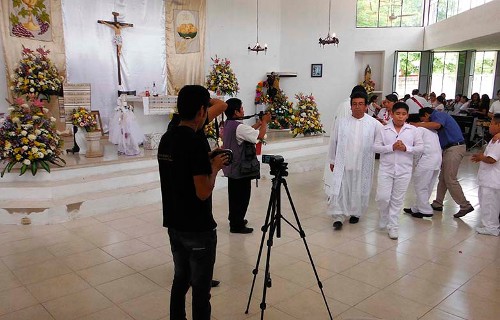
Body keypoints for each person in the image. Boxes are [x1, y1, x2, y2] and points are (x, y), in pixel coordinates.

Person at [157, 85, 228, 320]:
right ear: (201, 110)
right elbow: (203, 192)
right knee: (200, 289)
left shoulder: (167, 138)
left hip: (174, 222)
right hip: (197, 228)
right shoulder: (195, 142)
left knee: (180, 280)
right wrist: (215, 167)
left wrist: (206, 160)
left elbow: (180, 168)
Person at [326, 91, 382, 230]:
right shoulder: (341, 122)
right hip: (343, 161)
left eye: (361, 104)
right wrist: (332, 160)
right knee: (340, 188)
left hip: (362, 163)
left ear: (366, 106)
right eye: (354, 104)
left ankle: (355, 213)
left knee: (358, 188)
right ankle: (338, 216)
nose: (357, 107)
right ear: (350, 106)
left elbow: (382, 140)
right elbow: (333, 141)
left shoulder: (373, 124)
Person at [412, 107, 474, 218]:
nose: (424, 123)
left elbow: (436, 125)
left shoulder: (438, 115)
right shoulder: (436, 117)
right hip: (448, 149)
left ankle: (465, 205)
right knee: (443, 178)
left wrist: (417, 125)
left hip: (455, 147)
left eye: (423, 120)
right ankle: (438, 203)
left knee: (450, 178)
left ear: (426, 115)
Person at [374, 102, 424, 240]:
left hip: (404, 170)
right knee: (383, 197)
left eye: (403, 114)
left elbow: (420, 148)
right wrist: (392, 147)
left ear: (407, 115)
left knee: (397, 200)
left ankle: (393, 226)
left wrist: (406, 148)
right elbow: (375, 148)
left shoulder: (413, 130)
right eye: (397, 113)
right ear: (392, 114)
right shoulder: (384, 130)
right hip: (386, 169)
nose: (400, 117)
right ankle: (384, 215)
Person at [222, 98, 271, 234]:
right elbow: (259, 137)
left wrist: (258, 124)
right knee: (242, 196)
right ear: (236, 112)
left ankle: (235, 219)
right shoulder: (239, 127)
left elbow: (247, 132)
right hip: (240, 168)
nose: (244, 110)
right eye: (242, 108)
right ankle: (237, 225)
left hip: (231, 166)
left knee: (234, 196)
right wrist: (265, 123)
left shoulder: (229, 124)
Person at [404, 119, 442, 218]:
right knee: (428, 186)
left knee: (420, 186)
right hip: (437, 160)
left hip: (426, 160)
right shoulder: (432, 130)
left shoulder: (419, 130)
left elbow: (418, 148)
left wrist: (415, 163)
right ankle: (417, 208)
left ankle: (426, 210)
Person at [470, 114, 500, 236]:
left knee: (489, 204)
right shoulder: (495, 138)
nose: (489, 126)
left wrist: (482, 157)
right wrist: (481, 158)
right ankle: (490, 225)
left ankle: (491, 227)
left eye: (492, 123)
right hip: (489, 178)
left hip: (492, 179)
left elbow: (492, 159)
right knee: (487, 202)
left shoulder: (497, 141)